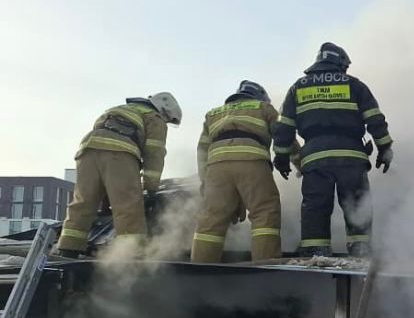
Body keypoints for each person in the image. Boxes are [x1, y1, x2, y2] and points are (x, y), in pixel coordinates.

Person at [273, 42, 393, 257]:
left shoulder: (298, 88)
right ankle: (360, 248)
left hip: (315, 159)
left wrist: (281, 157)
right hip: (351, 158)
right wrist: (385, 148)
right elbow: (375, 119)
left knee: (315, 206)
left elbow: (284, 127)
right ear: (340, 63)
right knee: (357, 203)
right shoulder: (354, 85)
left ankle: (315, 250)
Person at [56, 92, 182, 258]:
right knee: (128, 206)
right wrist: (151, 187)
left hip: (87, 152)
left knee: (83, 203)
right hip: (119, 154)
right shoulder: (154, 118)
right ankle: (133, 253)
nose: (165, 122)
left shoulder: (116, 110)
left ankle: (68, 248)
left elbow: (100, 135)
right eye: (167, 119)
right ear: (164, 110)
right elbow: (154, 154)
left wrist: (106, 195)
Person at [190, 81, 287, 263]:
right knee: (264, 212)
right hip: (252, 162)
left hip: (217, 169)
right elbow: (283, 134)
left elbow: (202, 150)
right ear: (259, 97)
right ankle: (266, 265)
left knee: (211, 219)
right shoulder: (263, 107)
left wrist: (205, 180)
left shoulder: (213, 114)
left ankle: (200, 266)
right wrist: (299, 162)